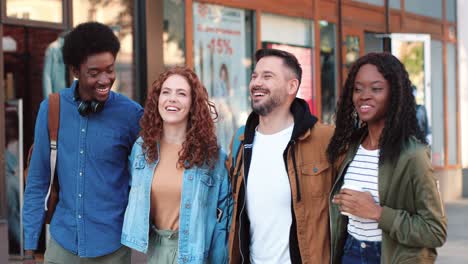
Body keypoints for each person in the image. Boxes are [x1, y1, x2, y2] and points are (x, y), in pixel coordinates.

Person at [23, 22, 143, 263]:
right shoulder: (52, 109)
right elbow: (37, 180)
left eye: (110, 69)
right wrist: (29, 247)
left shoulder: (131, 115)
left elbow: (147, 177)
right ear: (75, 71)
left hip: (112, 249)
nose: (105, 79)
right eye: (94, 72)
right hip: (62, 244)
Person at [327, 52, 447, 263]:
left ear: (394, 94)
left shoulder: (412, 155)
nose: (364, 95)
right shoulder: (351, 147)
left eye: (376, 89)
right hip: (351, 252)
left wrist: (377, 213)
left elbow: (434, 230)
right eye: (358, 89)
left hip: (390, 256)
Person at [227, 48, 335, 264]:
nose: (256, 83)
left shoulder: (324, 139)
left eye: (267, 76)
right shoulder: (241, 141)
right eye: (254, 76)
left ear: (292, 86)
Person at [121, 66, 230, 264]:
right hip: (148, 250)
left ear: (193, 104)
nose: (172, 98)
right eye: (166, 92)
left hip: (193, 255)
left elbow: (223, 220)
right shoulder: (141, 149)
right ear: (157, 100)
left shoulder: (212, 157)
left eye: (181, 94)